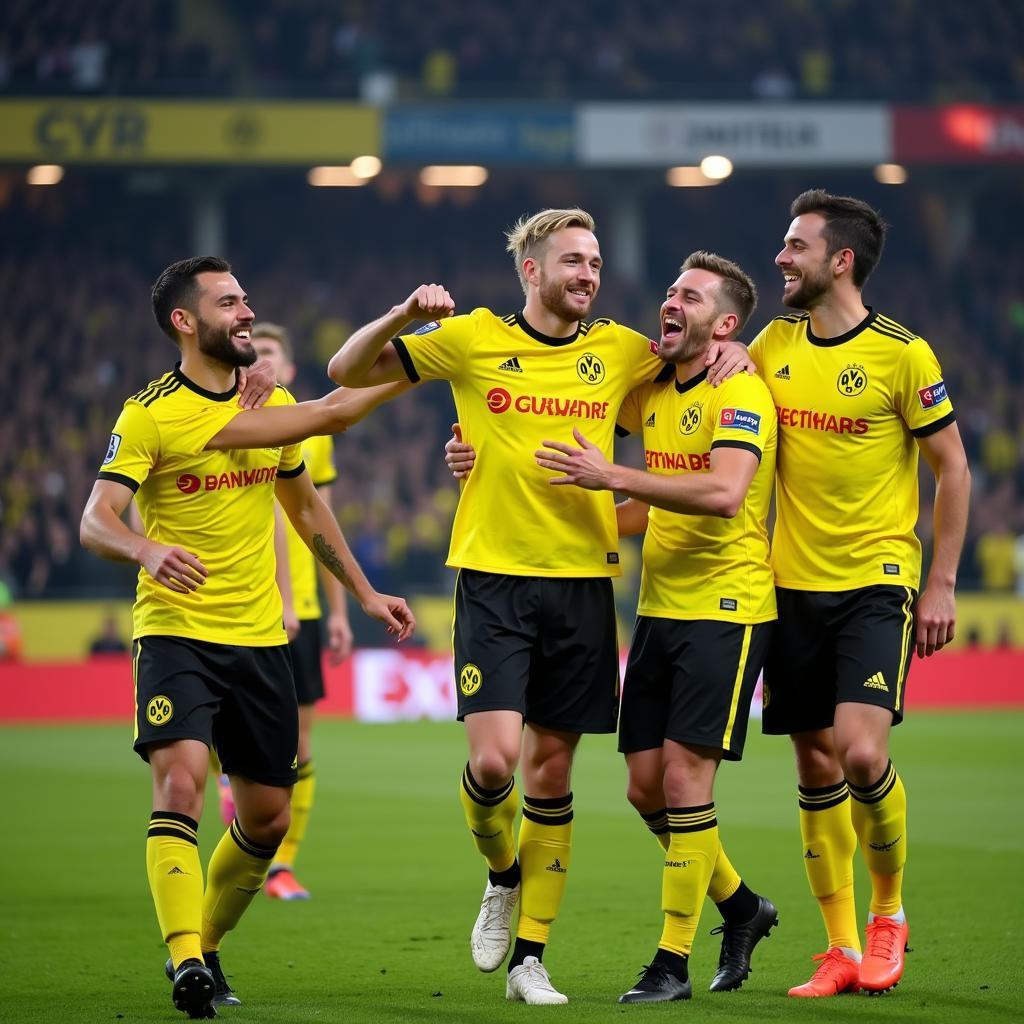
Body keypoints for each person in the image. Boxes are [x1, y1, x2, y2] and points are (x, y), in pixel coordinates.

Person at [326, 208, 752, 1005]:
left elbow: (700, 355)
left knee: (550, 774)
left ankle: (530, 960)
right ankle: (502, 875)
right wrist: (404, 314)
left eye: (594, 262)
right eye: (573, 262)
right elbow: (347, 370)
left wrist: (736, 346)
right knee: (493, 765)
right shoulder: (474, 338)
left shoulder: (620, 351)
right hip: (492, 579)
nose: (589, 274)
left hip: (585, 587)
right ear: (532, 270)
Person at [80, 256, 415, 1020]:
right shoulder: (150, 414)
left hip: (262, 638)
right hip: (177, 635)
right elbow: (95, 517)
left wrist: (362, 593)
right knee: (181, 784)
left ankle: (207, 946)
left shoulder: (272, 405)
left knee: (266, 816)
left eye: (245, 300)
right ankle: (187, 960)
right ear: (185, 322)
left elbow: (305, 509)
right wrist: (145, 549)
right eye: (229, 303)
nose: (245, 313)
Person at [447, 252, 781, 1002]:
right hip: (659, 604)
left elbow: (725, 493)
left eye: (689, 295)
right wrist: (489, 463)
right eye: (669, 289)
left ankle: (672, 962)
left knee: (687, 782)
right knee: (642, 789)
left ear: (725, 325)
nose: (669, 301)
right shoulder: (653, 388)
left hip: (727, 607)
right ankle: (741, 906)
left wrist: (613, 476)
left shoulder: (743, 390)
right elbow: (569, 422)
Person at [750, 191, 970, 997]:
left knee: (861, 751)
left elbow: (953, 467)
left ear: (839, 260)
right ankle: (840, 948)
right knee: (813, 766)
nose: (781, 257)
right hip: (789, 585)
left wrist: (939, 580)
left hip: (876, 581)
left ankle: (888, 916)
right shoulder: (770, 344)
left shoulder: (903, 354)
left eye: (795, 245)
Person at [251, 322, 353, 901]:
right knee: (230, 742)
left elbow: (323, 520)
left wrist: (337, 612)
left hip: (304, 611)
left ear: (288, 371)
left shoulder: (311, 434)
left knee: (301, 744)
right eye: (255, 351)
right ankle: (245, 835)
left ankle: (281, 864)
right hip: (242, 602)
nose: (261, 360)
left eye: (272, 353)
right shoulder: (225, 421)